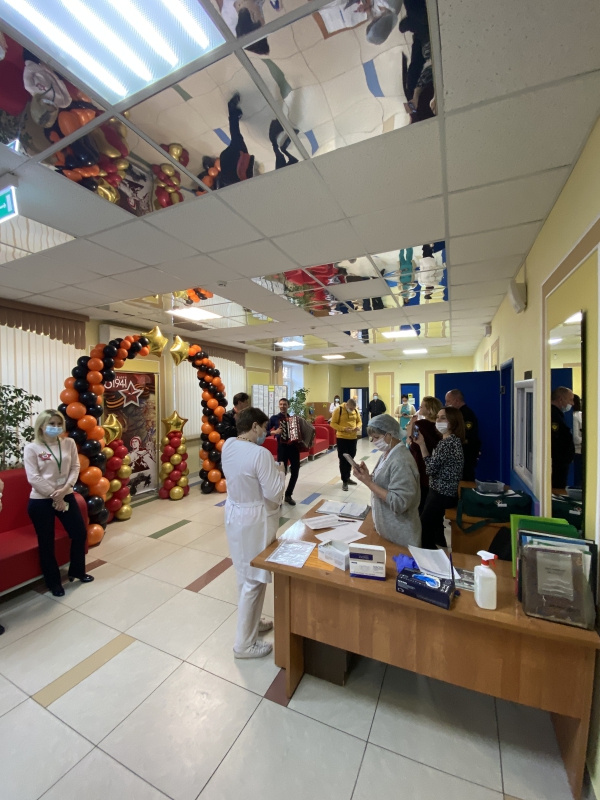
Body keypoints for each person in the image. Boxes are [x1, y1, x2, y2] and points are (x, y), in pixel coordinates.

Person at [221, 408, 285, 659]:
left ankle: (253, 623)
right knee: (255, 580)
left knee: (243, 574)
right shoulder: (261, 454)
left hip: (235, 513)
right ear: (255, 426)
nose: (266, 432)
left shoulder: (228, 444)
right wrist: (280, 472)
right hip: (255, 519)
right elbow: (273, 494)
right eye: (264, 427)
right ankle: (244, 645)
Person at [23, 410, 94, 596]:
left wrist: (64, 491)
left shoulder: (68, 443)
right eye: (51, 424)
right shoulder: (32, 448)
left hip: (66, 495)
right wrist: (56, 497)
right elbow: (33, 477)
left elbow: (75, 467)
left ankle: (77, 571)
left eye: (58, 424)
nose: (56, 427)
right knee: (46, 542)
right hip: (41, 501)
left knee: (79, 533)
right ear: (41, 426)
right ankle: (53, 582)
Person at [352, 414, 421, 546]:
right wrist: (367, 476)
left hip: (400, 536)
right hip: (386, 530)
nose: (373, 441)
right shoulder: (388, 453)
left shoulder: (401, 460)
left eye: (376, 437)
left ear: (390, 434)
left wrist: (368, 482)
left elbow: (399, 502)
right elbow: (385, 483)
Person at [416, 406, 465, 549]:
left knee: (425, 528)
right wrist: (422, 444)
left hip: (441, 493)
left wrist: (423, 448)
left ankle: (429, 556)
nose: (438, 421)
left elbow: (430, 469)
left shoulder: (447, 443)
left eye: (443, 418)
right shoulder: (451, 441)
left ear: (453, 421)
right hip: (441, 491)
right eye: (437, 417)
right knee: (432, 527)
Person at [406, 395, 442, 514]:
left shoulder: (419, 425)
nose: (419, 408)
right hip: (437, 467)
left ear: (429, 409)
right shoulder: (441, 426)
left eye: (422, 406)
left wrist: (409, 438)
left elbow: (415, 446)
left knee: (421, 502)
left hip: (421, 464)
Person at [268, 397, 300, 505]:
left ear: (288, 406)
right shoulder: (274, 418)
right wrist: (274, 432)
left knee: (295, 471)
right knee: (282, 473)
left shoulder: (293, 419)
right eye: (281, 404)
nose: (282, 406)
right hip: (282, 447)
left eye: (285, 404)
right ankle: (279, 496)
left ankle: (288, 495)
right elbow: (265, 431)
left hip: (294, 447)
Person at [445, 389, 480, 481]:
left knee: (465, 479)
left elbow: (466, 436)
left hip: (466, 454)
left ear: (456, 401)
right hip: (459, 455)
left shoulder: (466, 415)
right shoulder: (458, 414)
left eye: (448, 401)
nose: (446, 404)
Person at [330, 397, 362, 490]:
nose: (352, 410)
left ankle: (348, 477)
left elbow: (359, 421)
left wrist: (358, 427)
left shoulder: (355, 410)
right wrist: (343, 429)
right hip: (342, 438)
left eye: (353, 409)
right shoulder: (338, 410)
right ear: (347, 405)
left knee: (351, 458)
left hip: (353, 438)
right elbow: (333, 423)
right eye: (351, 408)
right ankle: (344, 480)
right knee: (343, 459)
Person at [551, 386, 575, 489]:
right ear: (561, 399)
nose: (572, 404)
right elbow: (556, 442)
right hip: (556, 466)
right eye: (570, 400)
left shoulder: (558, 415)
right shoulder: (553, 416)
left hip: (560, 465)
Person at [573, 394, 583, 488]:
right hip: (578, 452)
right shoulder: (578, 415)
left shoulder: (576, 416)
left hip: (578, 452)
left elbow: (576, 439)